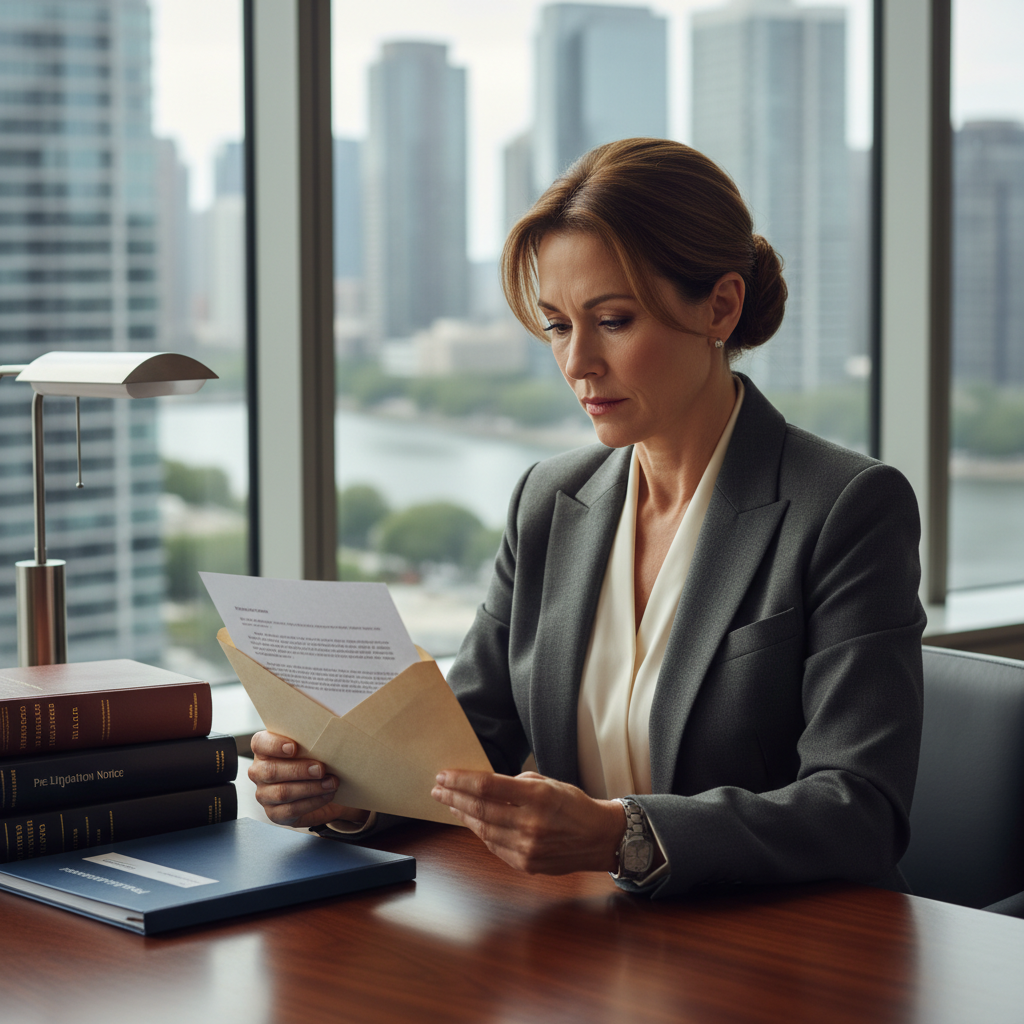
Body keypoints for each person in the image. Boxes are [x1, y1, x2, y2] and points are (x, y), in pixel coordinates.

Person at [249, 138, 925, 898]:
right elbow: (468, 744)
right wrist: (344, 791)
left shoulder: (847, 506)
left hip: (791, 951)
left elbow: (859, 809)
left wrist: (620, 836)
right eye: (559, 327)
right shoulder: (550, 499)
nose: (578, 364)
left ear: (721, 306)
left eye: (612, 319)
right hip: (592, 947)